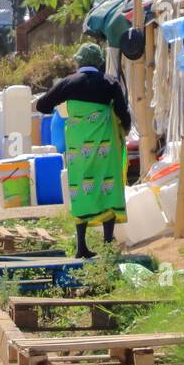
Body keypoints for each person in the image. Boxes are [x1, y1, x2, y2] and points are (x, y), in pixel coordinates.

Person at [35, 42, 131, 258]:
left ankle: (81, 246)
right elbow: (123, 112)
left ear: (79, 61)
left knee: (80, 189)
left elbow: (42, 105)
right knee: (108, 187)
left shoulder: (69, 82)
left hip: (79, 150)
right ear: (99, 62)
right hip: (106, 147)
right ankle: (107, 243)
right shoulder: (110, 82)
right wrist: (124, 129)